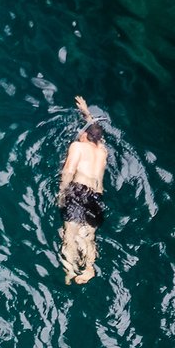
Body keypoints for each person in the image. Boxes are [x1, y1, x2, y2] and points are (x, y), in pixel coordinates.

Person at [58, 96, 108, 285]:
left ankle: (70, 270)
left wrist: (62, 194)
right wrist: (86, 112)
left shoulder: (77, 146)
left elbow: (69, 170)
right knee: (88, 236)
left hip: (79, 192)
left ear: (85, 136)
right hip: (97, 198)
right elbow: (95, 131)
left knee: (69, 235)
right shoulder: (103, 151)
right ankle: (89, 268)